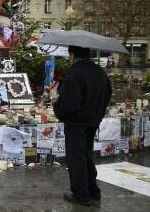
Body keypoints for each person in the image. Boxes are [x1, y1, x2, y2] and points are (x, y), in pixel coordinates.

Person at [53, 45, 111, 206]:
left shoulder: (75, 73)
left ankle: (81, 194)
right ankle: (93, 191)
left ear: (72, 54)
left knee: (76, 157)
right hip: (93, 119)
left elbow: (69, 104)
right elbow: (108, 93)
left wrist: (57, 108)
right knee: (86, 154)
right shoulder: (99, 71)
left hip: (76, 122)